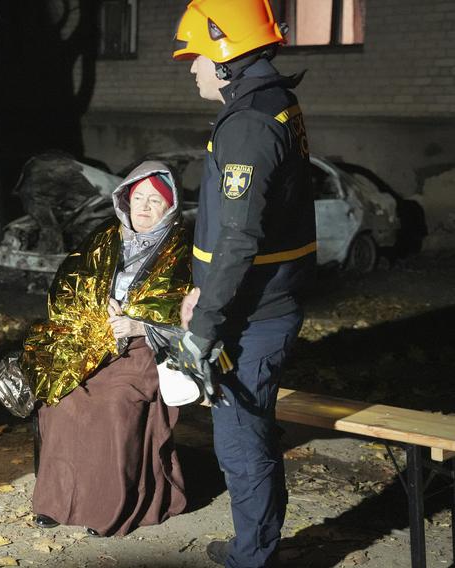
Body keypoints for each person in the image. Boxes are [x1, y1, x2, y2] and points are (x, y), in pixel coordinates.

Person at [171, 1, 317, 566]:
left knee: (241, 440)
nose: (192, 69)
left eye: (199, 56)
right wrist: (201, 289)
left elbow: (237, 239)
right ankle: (255, 545)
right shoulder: (273, 103)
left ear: (227, 54)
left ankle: (253, 557)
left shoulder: (251, 123)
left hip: (250, 315)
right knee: (246, 433)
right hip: (260, 301)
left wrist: (203, 328)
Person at [20, 161, 193, 537]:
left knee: (113, 406)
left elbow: (192, 315)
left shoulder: (183, 251)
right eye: (138, 198)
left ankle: (110, 509)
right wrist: (94, 312)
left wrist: (140, 325)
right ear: (124, 201)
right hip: (91, 345)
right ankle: (58, 502)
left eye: (155, 201)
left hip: (146, 351)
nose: (144, 208)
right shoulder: (103, 239)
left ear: (171, 207)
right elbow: (66, 291)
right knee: (61, 398)